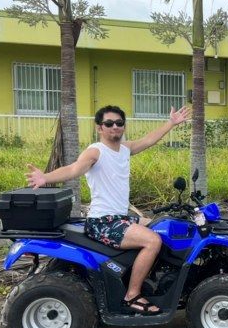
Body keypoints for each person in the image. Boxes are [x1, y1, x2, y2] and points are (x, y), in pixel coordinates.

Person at [26, 104, 191, 315]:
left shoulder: (125, 149)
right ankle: (132, 295)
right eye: (109, 123)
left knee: (163, 227)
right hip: (103, 221)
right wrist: (45, 178)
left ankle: (150, 279)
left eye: (119, 123)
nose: (115, 127)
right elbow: (75, 169)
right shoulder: (96, 151)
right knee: (153, 241)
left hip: (121, 218)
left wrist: (171, 123)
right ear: (99, 128)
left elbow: (149, 140)